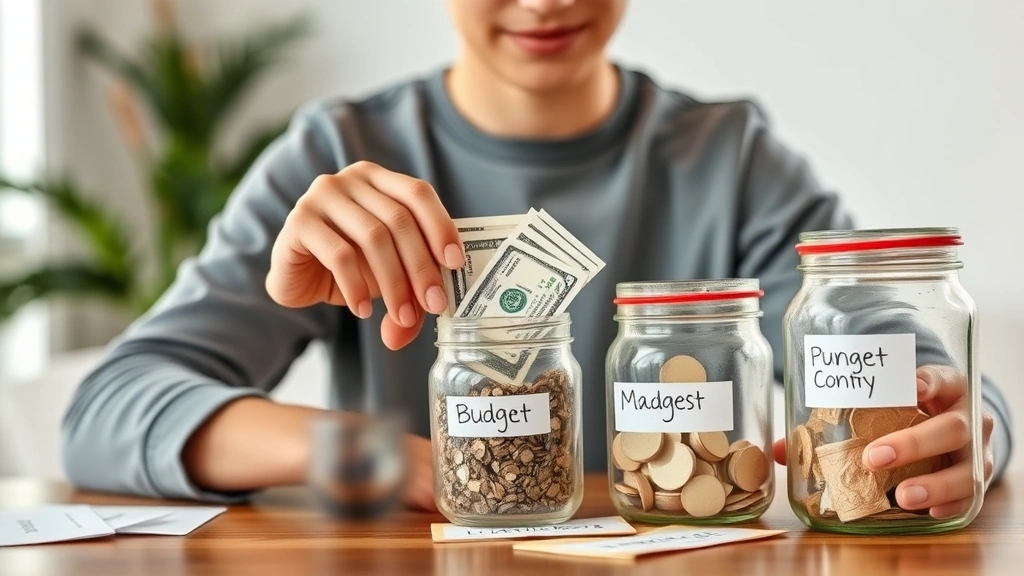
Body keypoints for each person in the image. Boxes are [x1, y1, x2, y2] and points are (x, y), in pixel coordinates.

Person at [62, 0, 1011, 517]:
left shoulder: (732, 160)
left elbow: (904, 345)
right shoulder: (338, 160)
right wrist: (387, 460)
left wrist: (967, 425)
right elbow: (106, 412)